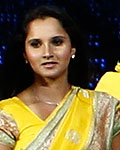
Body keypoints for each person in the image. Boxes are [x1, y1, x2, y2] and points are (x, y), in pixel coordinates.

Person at [0, 5, 120, 150]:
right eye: (36, 44)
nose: (47, 53)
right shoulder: (6, 114)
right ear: (25, 54)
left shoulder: (105, 108)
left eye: (57, 42)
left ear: (72, 49)